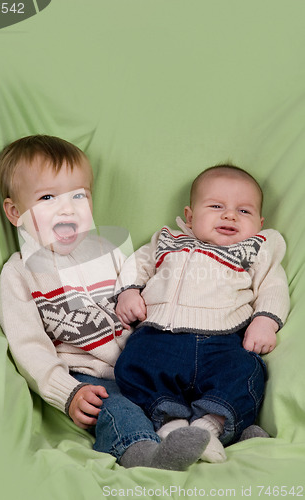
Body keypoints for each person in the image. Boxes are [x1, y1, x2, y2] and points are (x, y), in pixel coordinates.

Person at [0, 134, 211, 470]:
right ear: (15, 212)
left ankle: (226, 430)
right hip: (87, 374)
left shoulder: (107, 251)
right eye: (47, 197)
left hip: (140, 362)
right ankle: (145, 455)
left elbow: (140, 289)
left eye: (79, 195)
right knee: (116, 407)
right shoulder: (19, 273)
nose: (67, 208)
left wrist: (135, 297)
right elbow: (28, 346)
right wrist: (65, 392)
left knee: (195, 378)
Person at [114, 164, 290, 463]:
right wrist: (129, 291)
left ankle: (209, 426)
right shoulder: (167, 240)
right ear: (191, 215)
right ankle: (172, 427)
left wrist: (265, 321)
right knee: (133, 364)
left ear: (260, 222)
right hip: (160, 336)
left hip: (224, 341)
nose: (230, 215)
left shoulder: (256, 248)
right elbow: (136, 264)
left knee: (246, 372)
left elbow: (273, 284)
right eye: (217, 206)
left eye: (244, 211)